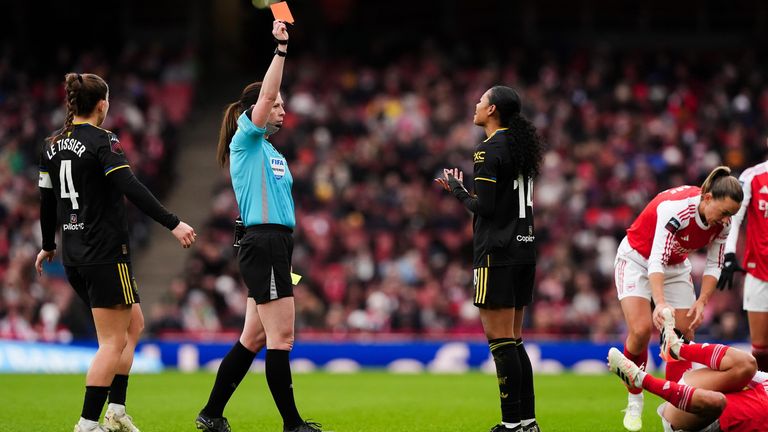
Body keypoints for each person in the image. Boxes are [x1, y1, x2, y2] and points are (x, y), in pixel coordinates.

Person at [35, 72, 196, 432]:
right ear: (103, 104)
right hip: (106, 253)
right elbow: (129, 186)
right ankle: (88, 423)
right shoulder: (103, 141)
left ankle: (116, 411)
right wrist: (173, 223)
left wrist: (48, 245)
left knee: (133, 324)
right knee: (112, 342)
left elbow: (47, 201)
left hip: (75, 255)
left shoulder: (51, 145)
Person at [195, 20, 323, 432]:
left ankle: (212, 414)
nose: (283, 109)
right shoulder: (245, 140)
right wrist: (281, 50)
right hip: (264, 244)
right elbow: (267, 93)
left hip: (275, 246)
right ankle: (292, 424)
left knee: (252, 340)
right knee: (281, 341)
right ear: (257, 110)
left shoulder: (268, 150)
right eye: (278, 105)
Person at [436, 85, 543, 432]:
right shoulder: (521, 147)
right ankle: (527, 421)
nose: (476, 104)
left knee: (500, 342)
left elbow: (485, 206)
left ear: (492, 109)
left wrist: (457, 191)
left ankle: (511, 423)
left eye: (481, 100)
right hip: (525, 249)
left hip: (496, 252)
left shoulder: (489, 149)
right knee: (515, 339)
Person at [613, 166, 743, 431]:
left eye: (731, 214)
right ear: (707, 198)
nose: (726, 219)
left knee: (681, 339)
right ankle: (634, 398)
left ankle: (672, 419)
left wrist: (703, 300)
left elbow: (713, 265)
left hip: (675, 267)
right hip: (637, 259)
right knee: (639, 332)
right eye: (724, 211)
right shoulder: (676, 209)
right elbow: (656, 258)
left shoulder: (723, 224)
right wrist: (660, 303)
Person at [608, 308, 768, 432]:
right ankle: (678, 347)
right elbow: (737, 369)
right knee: (747, 364)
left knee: (718, 401)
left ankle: (639, 378)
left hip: (697, 422)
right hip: (692, 394)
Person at [720, 138, 768, 372]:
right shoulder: (752, 176)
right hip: (759, 271)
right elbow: (735, 217)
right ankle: (763, 399)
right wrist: (729, 254)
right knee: (760, 349)